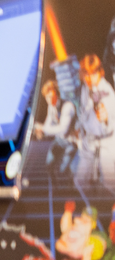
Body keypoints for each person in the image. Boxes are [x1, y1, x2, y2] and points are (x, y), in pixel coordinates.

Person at [77, 54, 115, 192]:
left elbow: (110, 125)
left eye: (93, 74)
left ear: (100, 72)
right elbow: (83, 112)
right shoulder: (85, 88)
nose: (89, 78)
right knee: (80, 182)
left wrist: (105, 119)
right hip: (89, 142)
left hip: (107, 143)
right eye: (86, 74)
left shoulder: (107, 91)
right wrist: (79, 127)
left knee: (110, 184)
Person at [35, 80, 78, 182]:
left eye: (52, 96)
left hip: (72, 141)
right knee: (49, 165)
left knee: (64, 170)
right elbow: (48, 124)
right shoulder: (51, 107)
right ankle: (55, 187)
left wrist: (43, 129)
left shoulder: (67, 106)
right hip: (60, 140)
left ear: (57, 94)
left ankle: (70, 185)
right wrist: (41, 132)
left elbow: (63, 130)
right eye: (47, 97)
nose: (50, 100)